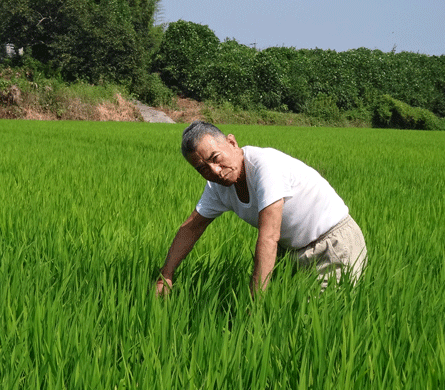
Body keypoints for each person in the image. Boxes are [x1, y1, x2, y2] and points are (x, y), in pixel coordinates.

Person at [156, 121, 367, 297]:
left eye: (215, 158)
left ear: (232, 142)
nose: (215, 171)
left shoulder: (266, 166)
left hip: (332, 244)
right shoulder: (217, 187)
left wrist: (255, 302)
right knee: (281, 319)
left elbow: (269, 237)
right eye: (203, 169)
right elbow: (192, 228)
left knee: (317, 323)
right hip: (291, 252)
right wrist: (166, 274)